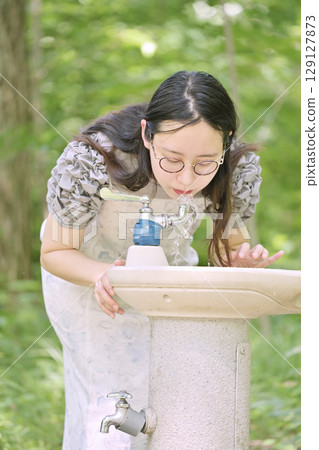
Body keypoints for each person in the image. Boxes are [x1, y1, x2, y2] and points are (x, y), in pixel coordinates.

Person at [40, 70, 283, 449]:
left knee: (172, 390)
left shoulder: (234, 168)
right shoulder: (94, 159)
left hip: (165, 278)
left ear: (226, 145)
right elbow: (54, 252)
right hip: (87, 281)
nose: (186, 178)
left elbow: (229, 246)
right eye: (171, 160)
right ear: (146, 136)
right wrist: (102, 274)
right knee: (111, 393)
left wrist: (240, 260)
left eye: (205, 163)